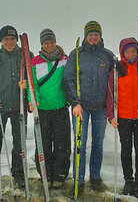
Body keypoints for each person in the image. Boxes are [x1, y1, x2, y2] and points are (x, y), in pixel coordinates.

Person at [63, 21, 115, 193]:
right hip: (81, 108)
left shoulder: (108, 55)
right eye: (90, 34)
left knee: (97, 144)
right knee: (80, 144)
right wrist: (75, 103)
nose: (93, 37)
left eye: (96, 34)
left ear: (100, 36)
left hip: (100, 108)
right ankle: (79, 179)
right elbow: (68, 79)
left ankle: (95, 177)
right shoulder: (76, 54)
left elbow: (115, 80)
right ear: (86, 36)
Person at [29, 28, 71, 188]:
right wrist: (34, 100)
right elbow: (32, 85)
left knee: (62, 143)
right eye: (46, 42)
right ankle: (45, 173)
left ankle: (60, 174)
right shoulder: (35, 62)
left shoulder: (64, 59)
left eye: (52, 42)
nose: (49, 45)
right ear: (42, 44)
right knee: (43, 144)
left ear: (55, 42)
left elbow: (70, 80)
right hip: (43, 110)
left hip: (60, 109)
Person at [107, 37, 138, 198]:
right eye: (127, 51)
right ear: (122, 52)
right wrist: (110, 115)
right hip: (123, 117)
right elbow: (110, 93)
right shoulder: (118, 69)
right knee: (126, 150)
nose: (130, 54)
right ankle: (128, 180)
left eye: (133, 51)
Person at [0, 25, 29, 188]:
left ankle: (17, 173)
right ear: (1, 41)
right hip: (1, 106)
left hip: (19, 105)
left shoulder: (25, 55)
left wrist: (26, 87)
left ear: (17, 40)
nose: (9, 42)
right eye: (6, 39)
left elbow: (33, 80)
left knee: (20, 143)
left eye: (12, 38)